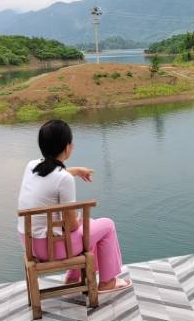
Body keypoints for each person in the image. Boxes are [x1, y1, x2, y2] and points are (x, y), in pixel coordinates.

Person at [17, 119, 132, 293]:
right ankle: (107, 282)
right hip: (53, 249)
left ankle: (73, 277)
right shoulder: (65, 179)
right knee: (107, 225)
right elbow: (71, 226)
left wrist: (76, 170)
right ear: (68, 147)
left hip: (29, 244)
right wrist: (78, 219)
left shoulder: (31, 166)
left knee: (90, 226)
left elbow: (50, 176)